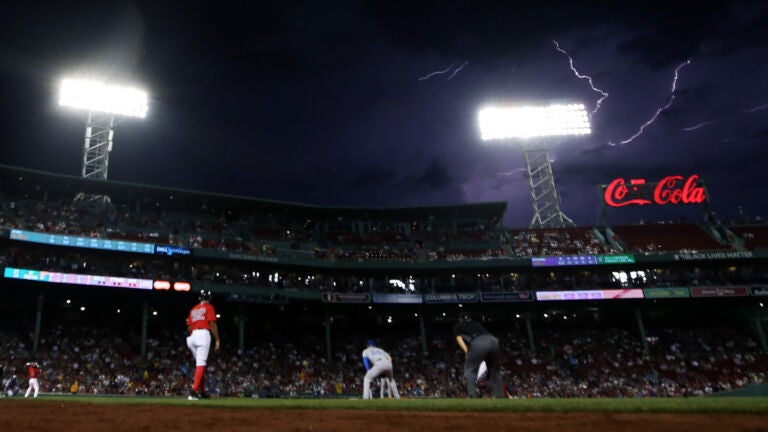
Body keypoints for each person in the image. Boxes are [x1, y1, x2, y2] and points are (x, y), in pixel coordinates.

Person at [453, 311, 504, 398]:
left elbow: (459, 339)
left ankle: (472, 395)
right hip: (494, 341)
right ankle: (500, 395)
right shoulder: (476, 324)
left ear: (460, 319)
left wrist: (466, 352)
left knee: (470, 370)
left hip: (479, 342)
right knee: (494, 371)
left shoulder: (458, 325)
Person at [185, 289, 221, 400]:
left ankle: (203, 392)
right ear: (209, 299)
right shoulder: (209, 307)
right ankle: (193, 392)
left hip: (191, 338)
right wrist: (218, 340)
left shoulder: (193, 309)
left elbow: (189, 327)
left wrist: (194, 336)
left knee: (200, 366)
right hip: (203, 335)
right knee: (201, 365)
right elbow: (212, 324)